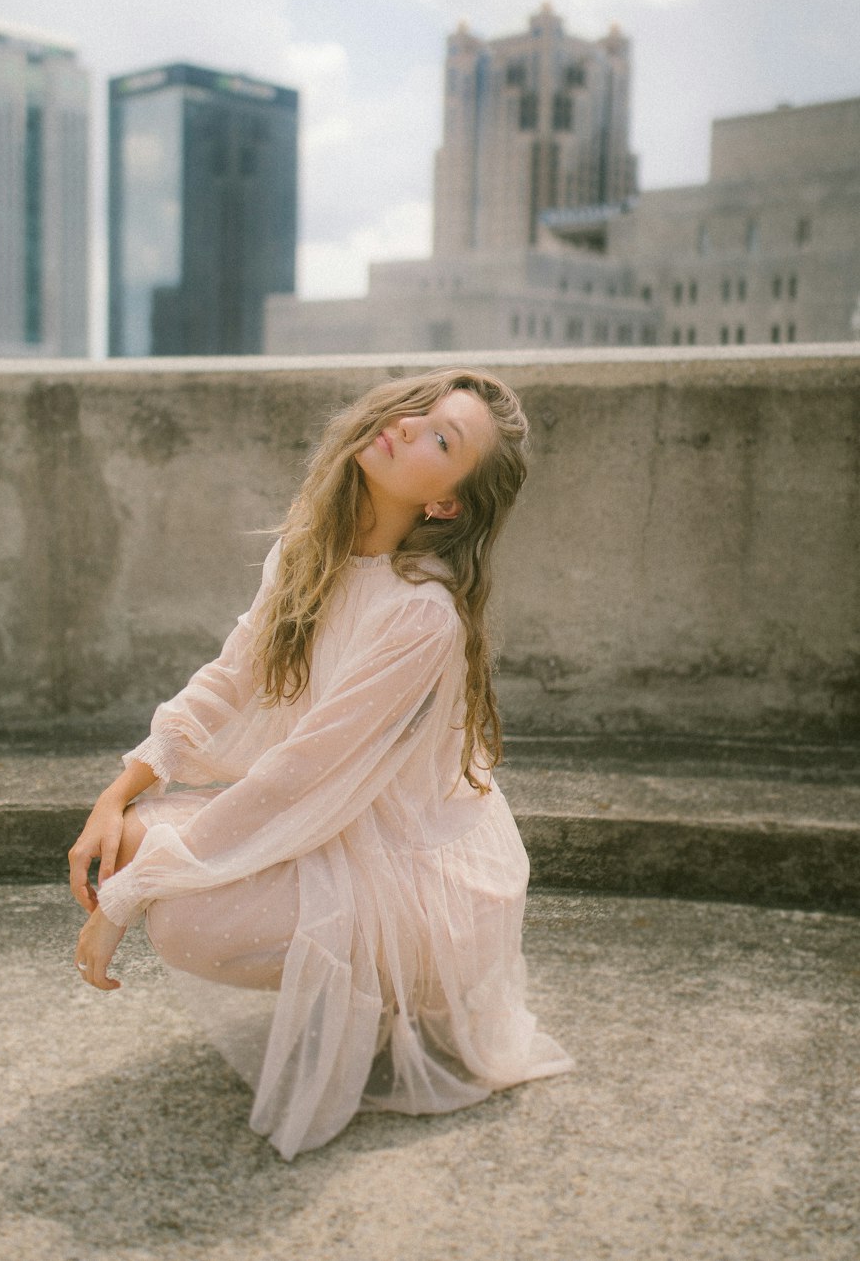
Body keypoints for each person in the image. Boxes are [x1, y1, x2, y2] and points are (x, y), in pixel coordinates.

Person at [69, 367, 572, 1160]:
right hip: (340, 831)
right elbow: (231, 675)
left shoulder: (421, 614)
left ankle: (380, 983)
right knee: (131, 837)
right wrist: (120, 788)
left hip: (430, 881)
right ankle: (349, 972)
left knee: (178, 914)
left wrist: (126, 900)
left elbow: (299, 774)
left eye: (442, 437)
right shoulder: (312, 552)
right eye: (418, 410)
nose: (408, 427)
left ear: (447, 504)